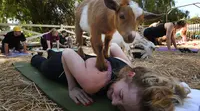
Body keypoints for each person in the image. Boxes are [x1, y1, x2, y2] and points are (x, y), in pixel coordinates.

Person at [31, 43, 189, 111]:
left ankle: (50, 52)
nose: (113, 101)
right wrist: (72, 88)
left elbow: (113, 47)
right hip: (58, 67)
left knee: (54, 53)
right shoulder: (92, 82)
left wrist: (99, 58)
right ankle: (35, 56)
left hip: (80, 60)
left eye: (120, 107)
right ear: (130, 76)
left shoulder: (128, 67)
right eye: (120, 96)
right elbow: (67, 53)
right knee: (41, 62)